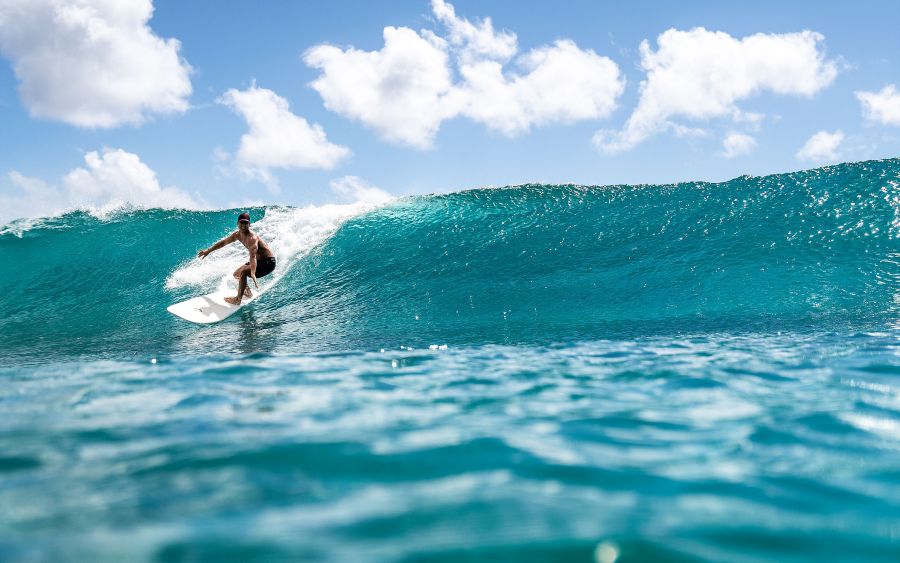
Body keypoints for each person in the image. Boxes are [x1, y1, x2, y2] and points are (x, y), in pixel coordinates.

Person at [197, 212, 276, 305]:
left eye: (246, 223)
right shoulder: (237, 235)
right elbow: (223, 243)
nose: (243, 225)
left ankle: (238, 299)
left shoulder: (252, 238)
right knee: (236, 274)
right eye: (241, 222)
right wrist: (208, 251)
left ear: (249, 224)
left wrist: (253, 272)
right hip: (259, 261)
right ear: (237, 223)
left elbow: (253, 256)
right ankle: (247, 292)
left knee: (244, 272)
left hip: (268, 262)